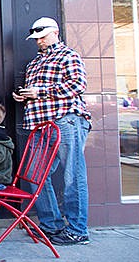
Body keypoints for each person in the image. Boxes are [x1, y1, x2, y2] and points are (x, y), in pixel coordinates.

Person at [13, 17, 91, 246]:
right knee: (35, 176)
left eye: (42, 37)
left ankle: (78, 230)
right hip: (40, 125)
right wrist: (23, 96)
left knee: (73, 177)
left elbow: (77, 85)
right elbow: (37, 93)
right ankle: (51, 226)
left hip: (66, 121)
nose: (38, 42)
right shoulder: (34, 63)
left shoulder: (68, 55)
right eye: (36, 39)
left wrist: (40, 92)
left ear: (55, 32)